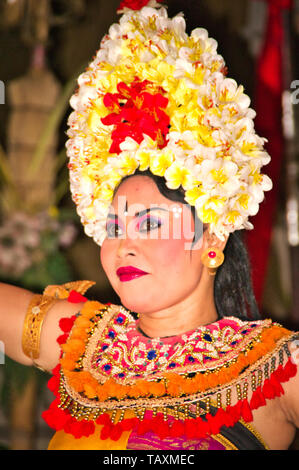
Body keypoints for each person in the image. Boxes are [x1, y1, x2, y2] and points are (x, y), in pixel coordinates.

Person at [1, 0, 299, 450]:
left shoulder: (277, 368)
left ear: (211, 238)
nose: (124, 245)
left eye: (151, 224)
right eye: (115, 227)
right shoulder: (81, 342)